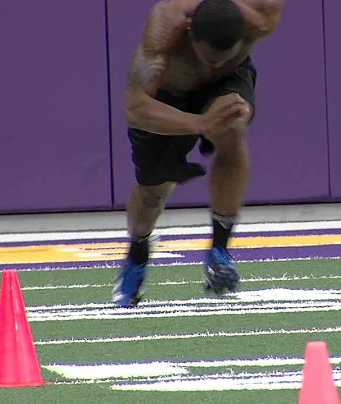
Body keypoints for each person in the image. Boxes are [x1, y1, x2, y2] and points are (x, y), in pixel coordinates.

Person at [112, 0, 285, 307]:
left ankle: (220, 249)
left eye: (224, 58)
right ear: (190, 34)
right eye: (208, 58)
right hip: (164, 98)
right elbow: (134, 106)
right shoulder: (166, 25)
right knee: (153, 192)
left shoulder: (261, 17)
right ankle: (138, 251)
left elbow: (226, 61)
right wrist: (199, 123)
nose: (213, 65)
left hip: (223, 89)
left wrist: (214, 118)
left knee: (233, 124)